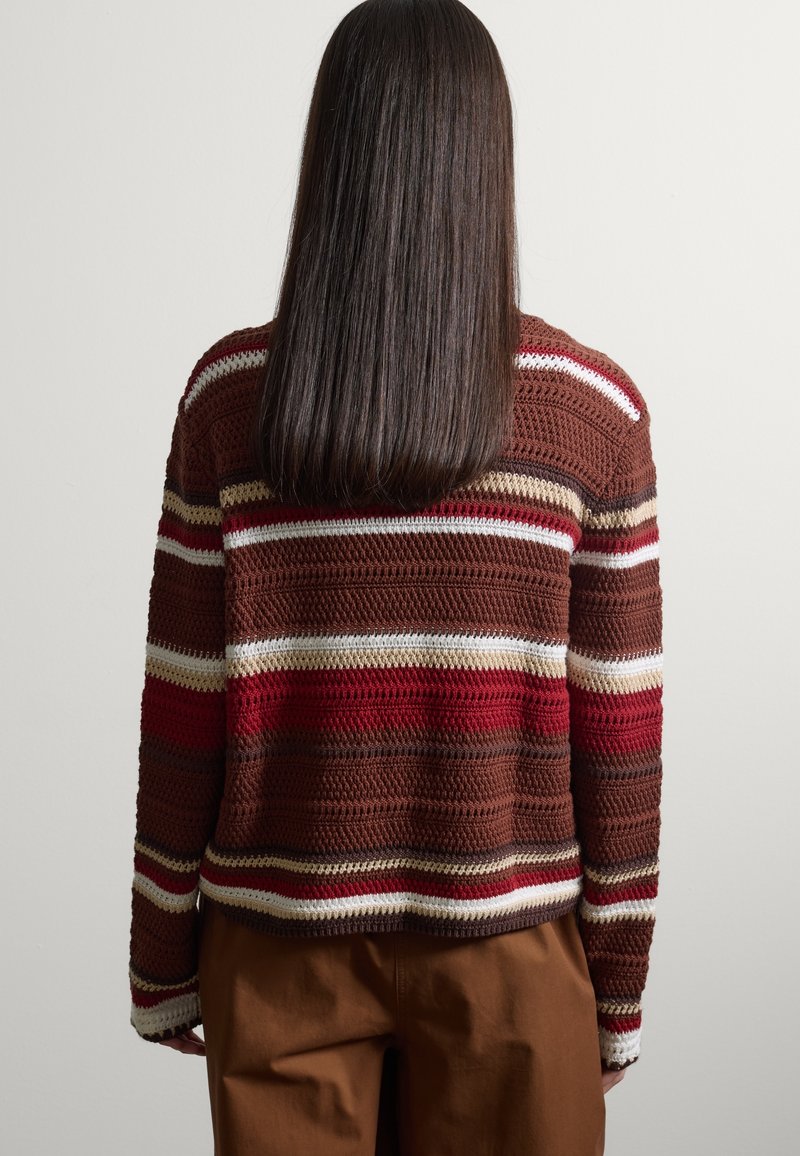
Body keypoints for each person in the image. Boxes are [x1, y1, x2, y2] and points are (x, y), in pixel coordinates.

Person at [127, 1, 663, 1153]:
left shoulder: (228, 401)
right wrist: (613, 994)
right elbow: (617, 742)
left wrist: (162, 958)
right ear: (487, 159)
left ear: (333, 153)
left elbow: (183, 711)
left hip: (277, 949)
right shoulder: (591, 412)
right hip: (509, 963)